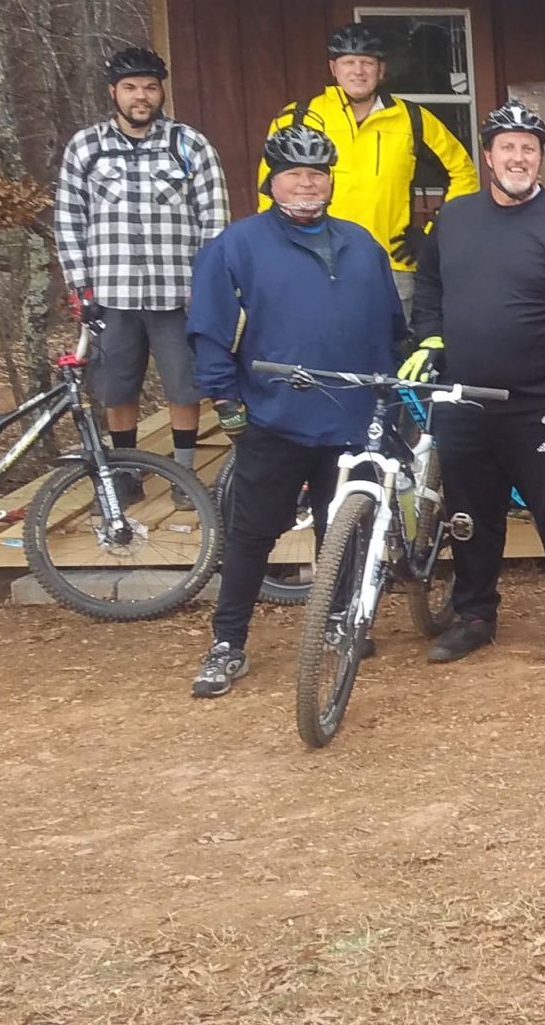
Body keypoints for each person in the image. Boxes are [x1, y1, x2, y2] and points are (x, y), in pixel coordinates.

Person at [183, 125, 406, 697]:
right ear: (271, 181)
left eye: (316, 174)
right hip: (274, 416)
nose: (306, 184)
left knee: (343, 528)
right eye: (293, 174)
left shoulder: (363, 246)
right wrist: (226, 401)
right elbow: (209, 332)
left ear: (331, 180)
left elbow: (391, 332)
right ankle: (228, 641)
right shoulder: (236, 246)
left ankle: (337, 619)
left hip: (352, 418)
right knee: (252, 534)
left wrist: (392, 398)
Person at [403, 101, 545, 664]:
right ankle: (475, 614)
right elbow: (429, 286)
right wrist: (430, 338)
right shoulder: (453, 218)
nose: (518, 157)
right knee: (471, 513)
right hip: (464, 398)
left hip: (542, 400)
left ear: (540, 159)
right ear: (488, 156)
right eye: (507, 147)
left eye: (528, 148)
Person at [52, 47, 230, 506]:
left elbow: (215, 222)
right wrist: (80, 287)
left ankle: (185, 478)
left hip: (178, 294)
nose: (141, 96)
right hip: (111, 294)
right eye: (131, 88)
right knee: (117, 387)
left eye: (150, 87)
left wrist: (207, 286)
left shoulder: (190, 145)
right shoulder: (86, 147)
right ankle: (126, 473)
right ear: (113, 92)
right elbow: (69, 220)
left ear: (161, 91)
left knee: (184, 386)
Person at [260, 24, 478, 303]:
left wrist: (435, 234)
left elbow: (463, 172)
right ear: (333, 68)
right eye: (348, 62)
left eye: (367, 62)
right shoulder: (299, 117)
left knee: (394, 346)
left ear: (381, 69)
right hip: (312, 260)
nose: (358, 71)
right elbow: (268, 189)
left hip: (390, 264)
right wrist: (276, 248)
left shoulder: (412, 119)